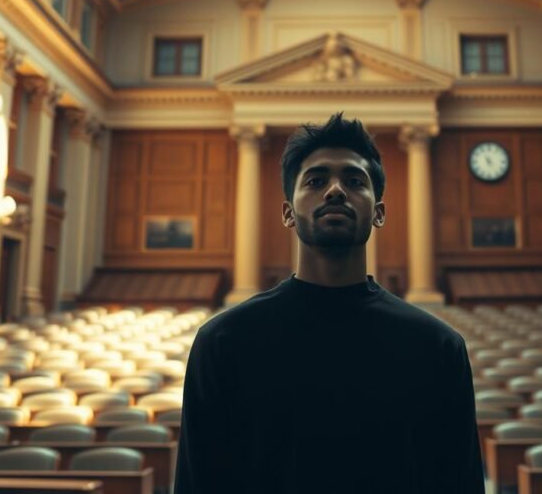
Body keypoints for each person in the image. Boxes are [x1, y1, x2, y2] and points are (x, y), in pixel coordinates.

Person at [173, 113, 484, 494]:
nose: (335, 190)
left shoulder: (438, 348)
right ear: (288, 213)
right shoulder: (223, 342)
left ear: (379, 213)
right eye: (316, 181)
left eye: (354, 181)